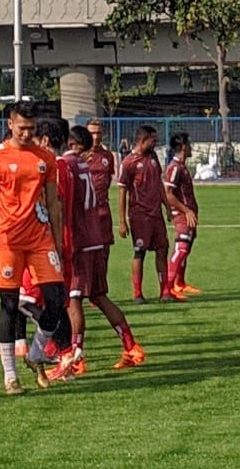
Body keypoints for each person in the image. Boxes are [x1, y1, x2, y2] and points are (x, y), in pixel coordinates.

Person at [0, 102, 74, 394]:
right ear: (10, 124)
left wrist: (57, 241)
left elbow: (54, 203)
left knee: (56, 300)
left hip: (40, 238)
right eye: (22, 128)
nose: (27, 133)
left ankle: (35, 353)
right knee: (8, 305)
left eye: (31, 129)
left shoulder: (46, 159)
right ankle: (10, 375)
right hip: (7, 240)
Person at [62, 124, 145, 374]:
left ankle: (76, 357)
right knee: (98, 295)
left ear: (71, 144)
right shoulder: (87, 164)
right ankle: (131, 347)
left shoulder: (68, 166)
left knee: (73, 298)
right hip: (95, 235)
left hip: (80, 241)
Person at [118, 124, 175, 303]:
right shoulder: (128, 162)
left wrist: (167, 207)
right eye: (153, 140)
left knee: (162, 250)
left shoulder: (153, 157)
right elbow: (122, 193)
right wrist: (122, 221)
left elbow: (159, 183)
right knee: (139, 252)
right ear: (142, 141)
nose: (155, 143)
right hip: (139, 215)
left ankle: (165, 291)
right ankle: (137, 293)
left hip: (156, 214)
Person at [164, 132, 200, 298]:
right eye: (189, 144)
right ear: (184, 146)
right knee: (181, 248)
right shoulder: (175, 167)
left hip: (189, 215)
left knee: (187, 249)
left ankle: (179, 283)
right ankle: (168, 287)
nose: (191, 147)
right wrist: (186, 210)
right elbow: (168, 193)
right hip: (182, 215)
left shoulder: (182, 167)